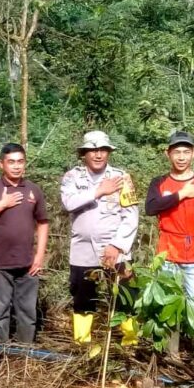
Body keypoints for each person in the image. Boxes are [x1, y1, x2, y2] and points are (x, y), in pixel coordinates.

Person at [60, 130, 139, 344]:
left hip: (117, 252)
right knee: (83, 299)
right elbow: (68, 203)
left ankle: (130, 344)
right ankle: (82, 346)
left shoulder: (122, 178)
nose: (98, 155)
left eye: (103, 150)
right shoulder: (72, 177)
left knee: (126, 298)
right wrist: (98, 191)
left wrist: (117, 246)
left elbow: (131, 216)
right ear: (84, 153)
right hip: (83, 252)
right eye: (93, 150)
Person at [0, 143, 48, 344]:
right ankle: (1, 356)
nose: (16, 166)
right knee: (0, 313)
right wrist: (3, 204)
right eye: (11, 162)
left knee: (27, 314)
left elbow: (42, 224)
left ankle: (24, 357)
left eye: (20, 161)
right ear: (1, 164)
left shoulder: (33, 190)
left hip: (27, 263)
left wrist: (39, 256)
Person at [145, 130, 194, 356]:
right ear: (168, 154)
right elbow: (151, 208)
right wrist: (182, 193)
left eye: (186, 152)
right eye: (176, 152)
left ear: (193, 153)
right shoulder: (160, 182)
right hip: (168, 252)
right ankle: (170, 356)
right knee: (167, 305)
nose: (181, 157)